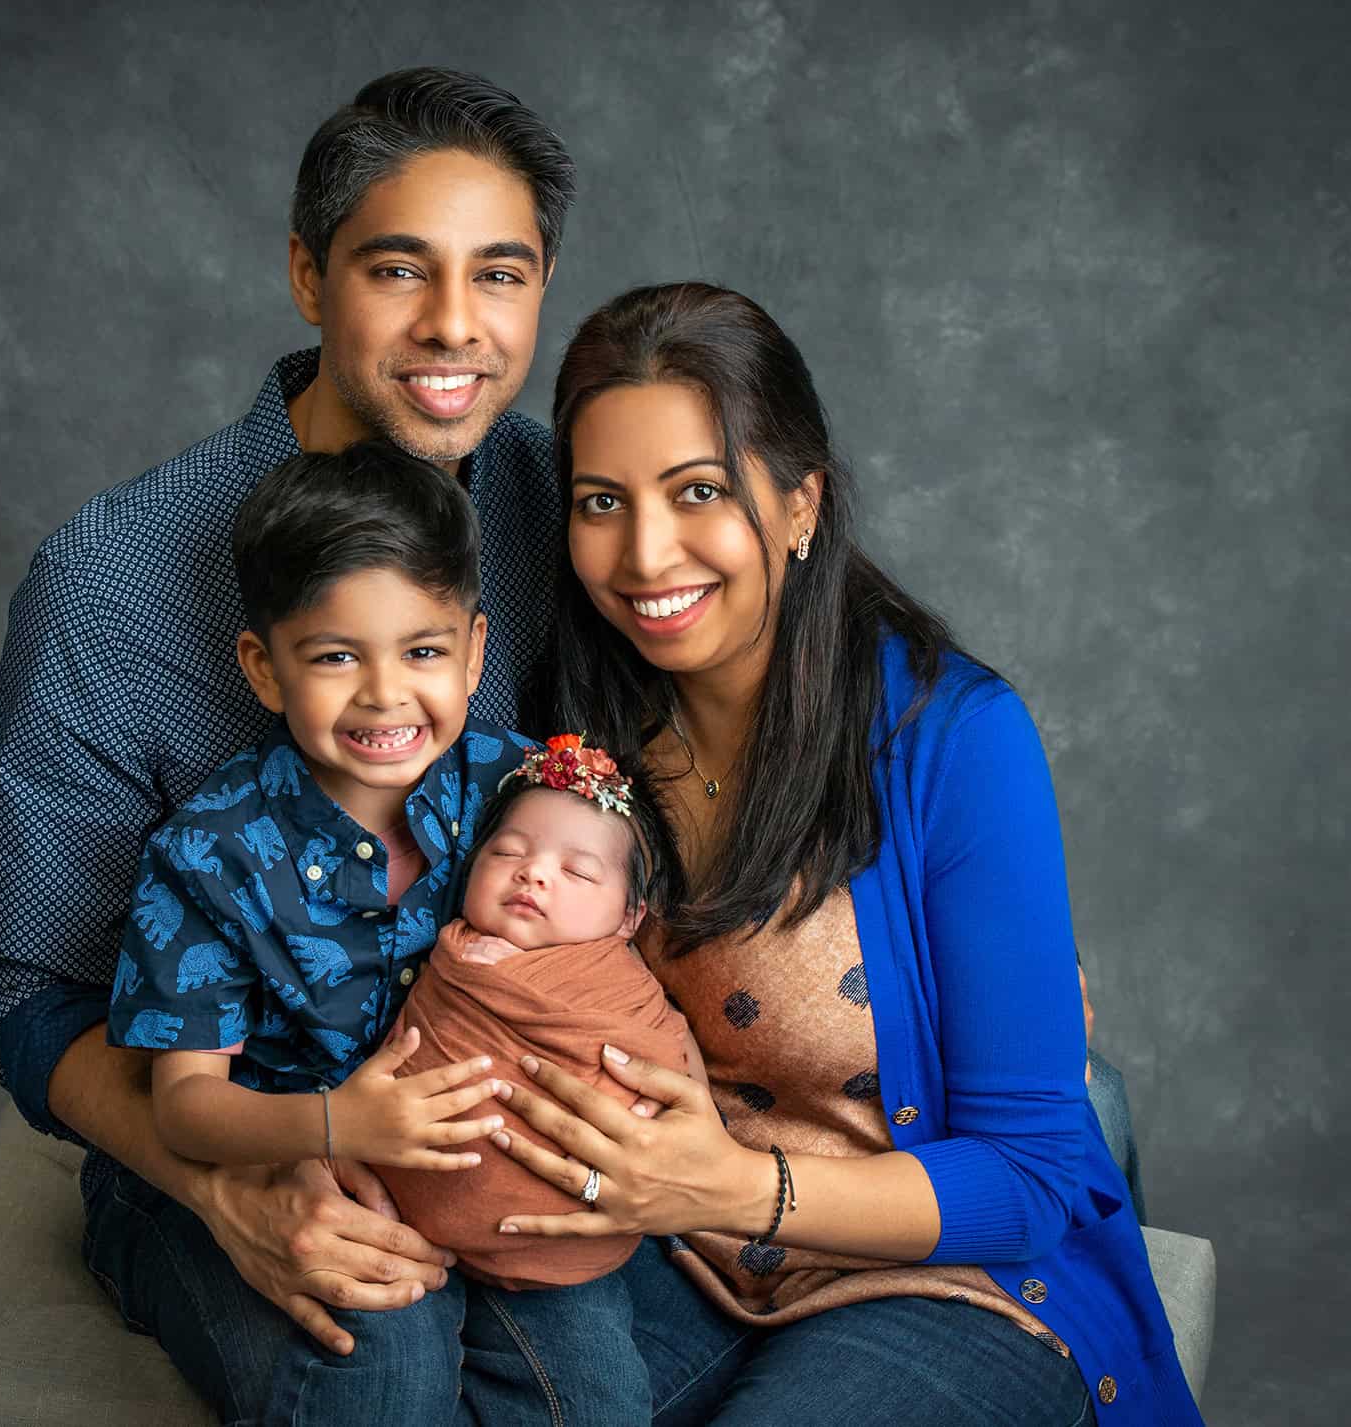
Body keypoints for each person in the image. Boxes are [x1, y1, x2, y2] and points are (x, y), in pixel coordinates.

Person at [0, 67, 587, 1423]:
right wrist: (224, 1177)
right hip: (221, 1114)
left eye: (502, 275)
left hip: (500, 1096)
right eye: (397, 270)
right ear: (308, 274)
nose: (454, 328)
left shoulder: (565, 507)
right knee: (388, 1351)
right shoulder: (110, 579)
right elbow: (29, 985)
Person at [476, 282, 1204, 1424]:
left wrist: (735, 1183)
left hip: (947, 1278)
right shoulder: (576, 731)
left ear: (800, 503)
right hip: (676, 1258)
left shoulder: (953, 740)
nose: (642, 552)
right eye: (600, 501)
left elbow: (1031, 1176)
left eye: (698, 492)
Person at [107, 438, 660, 1423]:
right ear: (264, 668)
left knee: (596, 1390)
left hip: (466, 1175)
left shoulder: (518, 791)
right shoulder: (209, 854)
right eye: (331, 656)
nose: (383, 694)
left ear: (474, 651)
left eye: (421, 651)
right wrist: (335, 1124)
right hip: (265, 1152)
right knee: (390, 1362)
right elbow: (185, 1109)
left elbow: (601, 940)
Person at [371, 735, 696, 1292]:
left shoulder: (625, 991)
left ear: (628, 919)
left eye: (580, 872)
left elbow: (673, 1062)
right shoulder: (455, 955)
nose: (534, 873)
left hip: (569, 1247)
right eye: (508, 852)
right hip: (401, 1217)